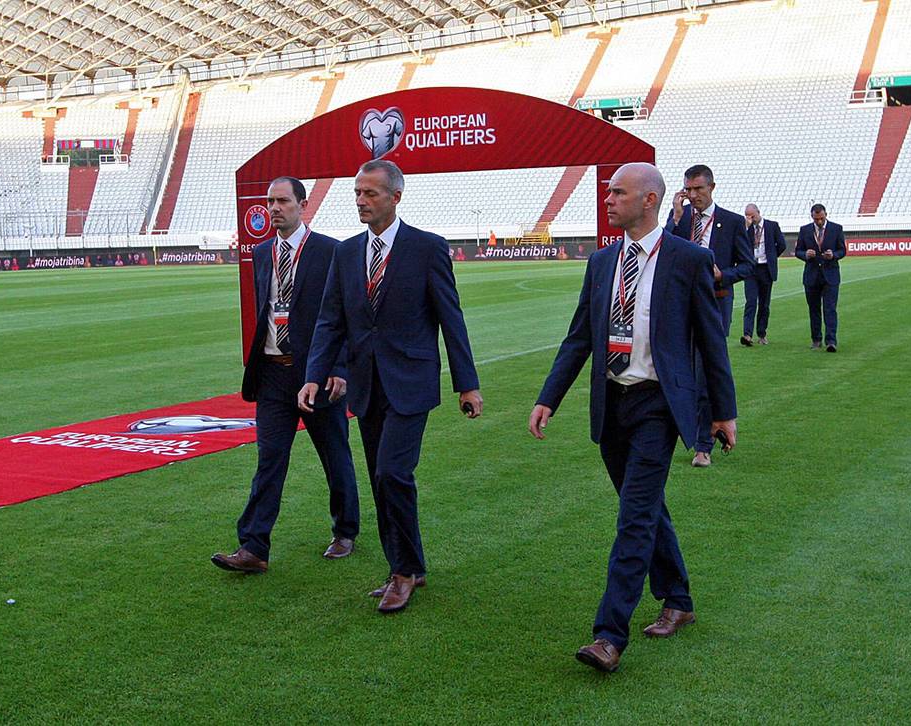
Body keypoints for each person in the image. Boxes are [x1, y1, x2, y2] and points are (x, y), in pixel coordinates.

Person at [529, 162, 737, 673]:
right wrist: (549, 397)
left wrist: (723, 413)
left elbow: (711, 343)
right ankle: (678, 599)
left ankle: (609, 635)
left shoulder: (689, 259)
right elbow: (580, 336)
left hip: (658, 406)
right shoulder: (603, 262)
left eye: (618, 193)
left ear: (649, 200)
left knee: (634, 518)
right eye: (609, 192)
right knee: (643, 507)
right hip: (612, 402)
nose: (609, 199)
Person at [298, 159, 483, 615]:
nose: (361, 201)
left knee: (392, 473)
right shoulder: (346, 253)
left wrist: (467, 384)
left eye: (371, 193)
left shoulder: (427, 248)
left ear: (395, 197)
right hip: (366, 385)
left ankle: (402, 573)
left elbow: (450, 318)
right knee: (382, 480)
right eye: (357, 193)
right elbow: (330, 320)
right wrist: (314, 375)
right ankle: (407, 566)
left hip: (411, 382)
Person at [212, 177, 360, 575]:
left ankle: (345, 530)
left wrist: (339, 368)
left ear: (302, 205)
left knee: (335, 455)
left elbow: (345, 313)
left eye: (282, 201)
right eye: (270, 201)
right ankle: (253, 547)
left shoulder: (330, 251)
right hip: (273, 374)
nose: (274, 208)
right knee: (270, 460)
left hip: (317, 374)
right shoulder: (263, 253)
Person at [665, 164, 754, 467]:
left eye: (698, 189)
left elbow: (747, 266)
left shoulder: (731, 222)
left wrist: (721, 275)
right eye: (688, 190)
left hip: (715, 304)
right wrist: (675, 218)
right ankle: (676, 433)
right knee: (678, 372)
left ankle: (704, 445)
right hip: (679, 305)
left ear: (711, 188)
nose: (693, 195)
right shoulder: (680, 218)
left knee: (705, 373)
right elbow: (662, 251)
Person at [795, 204, 846, 352]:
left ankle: (831, 341)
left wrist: (833, 255)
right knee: (814, 309)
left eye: (821, 218)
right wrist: (805, 255)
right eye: (816, 219)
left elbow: (842, 250)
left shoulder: (836, 229)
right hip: (812, 276)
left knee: (830, 309)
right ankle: (816, 339)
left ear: (826, 215)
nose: (819, 222)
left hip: (830, 275)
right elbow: (798, 251)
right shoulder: (805, 230)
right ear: (812, 216)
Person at [741, 204, 786, 346]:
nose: (750, 218)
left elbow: (782, 244)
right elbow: (740, 244)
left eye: (752, 216)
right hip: (751, 269)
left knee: (764, 304)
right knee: (750, 302)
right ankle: (747, 334)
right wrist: (746, 227)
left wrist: (771, 256)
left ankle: (762, 334)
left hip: (766, 269)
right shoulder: (745, 228)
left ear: (758, 212)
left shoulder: (772, 226)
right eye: (747, 216)